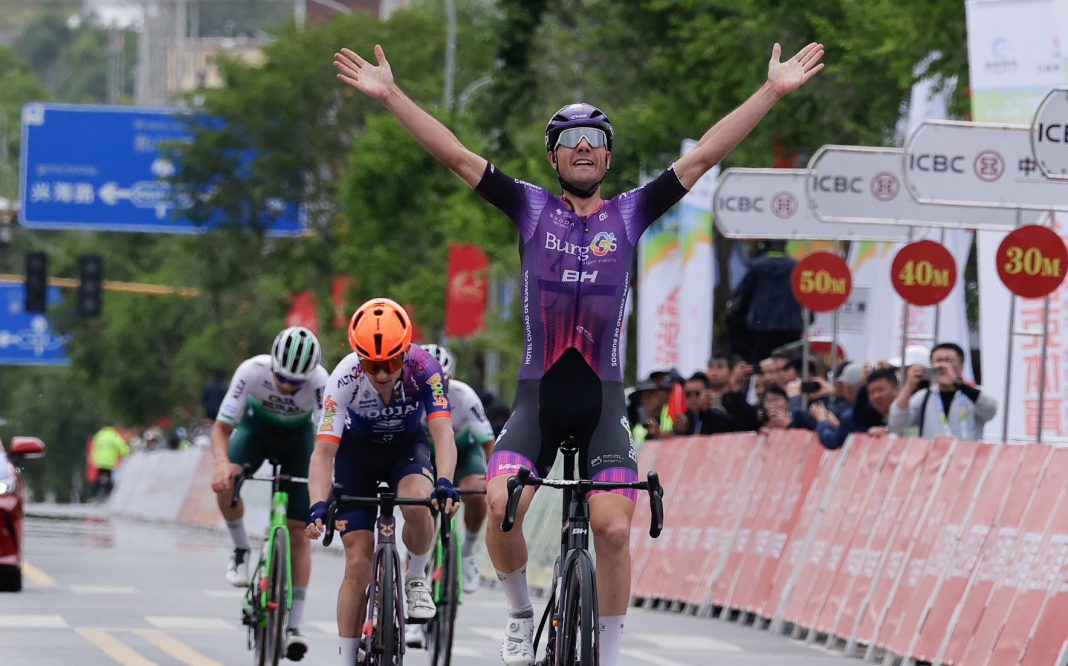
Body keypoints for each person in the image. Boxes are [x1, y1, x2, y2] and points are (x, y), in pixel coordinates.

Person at [333, 38, 824, 666]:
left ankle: (611, 653)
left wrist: (772, 91)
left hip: (603, 404)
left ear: (610, 155)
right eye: (570, 139)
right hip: (538, 401)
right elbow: (455, 155)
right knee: (503, 506)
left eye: (595, 137)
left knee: (614, 528)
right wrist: (391, 94)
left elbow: (704, 155)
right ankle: (517, 613)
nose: (584, 146)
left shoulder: (631, 212)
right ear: (553, 156)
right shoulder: (530, 208)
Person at [304, 299, 459, 666]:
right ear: (359, 357)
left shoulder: (425, 368)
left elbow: (443, 433)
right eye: (372, 365)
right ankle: (345, 659)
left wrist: (446, 483)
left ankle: (417, 576)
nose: (383, 374)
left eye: (391, 362)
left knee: (418, 502)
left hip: (405, 450)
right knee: (357, 563)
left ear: (405, 351)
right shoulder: (342, 379)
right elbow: (323, 454)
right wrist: (318, 505)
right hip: (356, 457)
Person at [209, 326, 327, 662]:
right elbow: (221, 427)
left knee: (299, 532)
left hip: (298, 441)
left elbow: (327, 440)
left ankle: (294, 627)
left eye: (296, 382)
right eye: (282, 378)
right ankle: (241, 549)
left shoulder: (321, 381)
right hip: (255, 432)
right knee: (226, 484)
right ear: (272, 363)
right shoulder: (251, 371)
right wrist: (221, 464)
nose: (288, 386)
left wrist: (325, 485)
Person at [419, 343, 495, 596]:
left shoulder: (465, 396)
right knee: (420, 507)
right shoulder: (409, 396)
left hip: (463, 451)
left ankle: (468, 552)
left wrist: (493, 477)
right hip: (425, 452)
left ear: (451, 378)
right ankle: (416, 579)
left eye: (442, 381)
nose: (436, 388)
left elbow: (487, 442)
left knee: (476, 490)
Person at [889, 342, 997, 440]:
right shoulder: (924, 396)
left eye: (949, 361)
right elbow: (897, 422)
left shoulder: (973, 394)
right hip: (933, 458)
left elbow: (990, 410)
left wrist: (957, 383)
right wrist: (909, 386)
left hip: (966, 458)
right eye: (938, 361)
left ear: (961, 367)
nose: (943, 366)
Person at [730, 241, 805, 364]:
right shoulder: (797, 267)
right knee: (791, 365)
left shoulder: (757, 267)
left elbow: (742, 297)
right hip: (792, 326)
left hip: (762, 327)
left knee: (761, 367)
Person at [89, 425, 130, 501]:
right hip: (109, 462)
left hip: (99, 461)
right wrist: (127, 452)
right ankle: (107, 495)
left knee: (100, 478)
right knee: (108, 478)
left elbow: (93, 447)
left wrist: (93, 458)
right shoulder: (113, 436)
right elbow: (121, 447)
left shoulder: (99, 435)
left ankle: (96, 495)